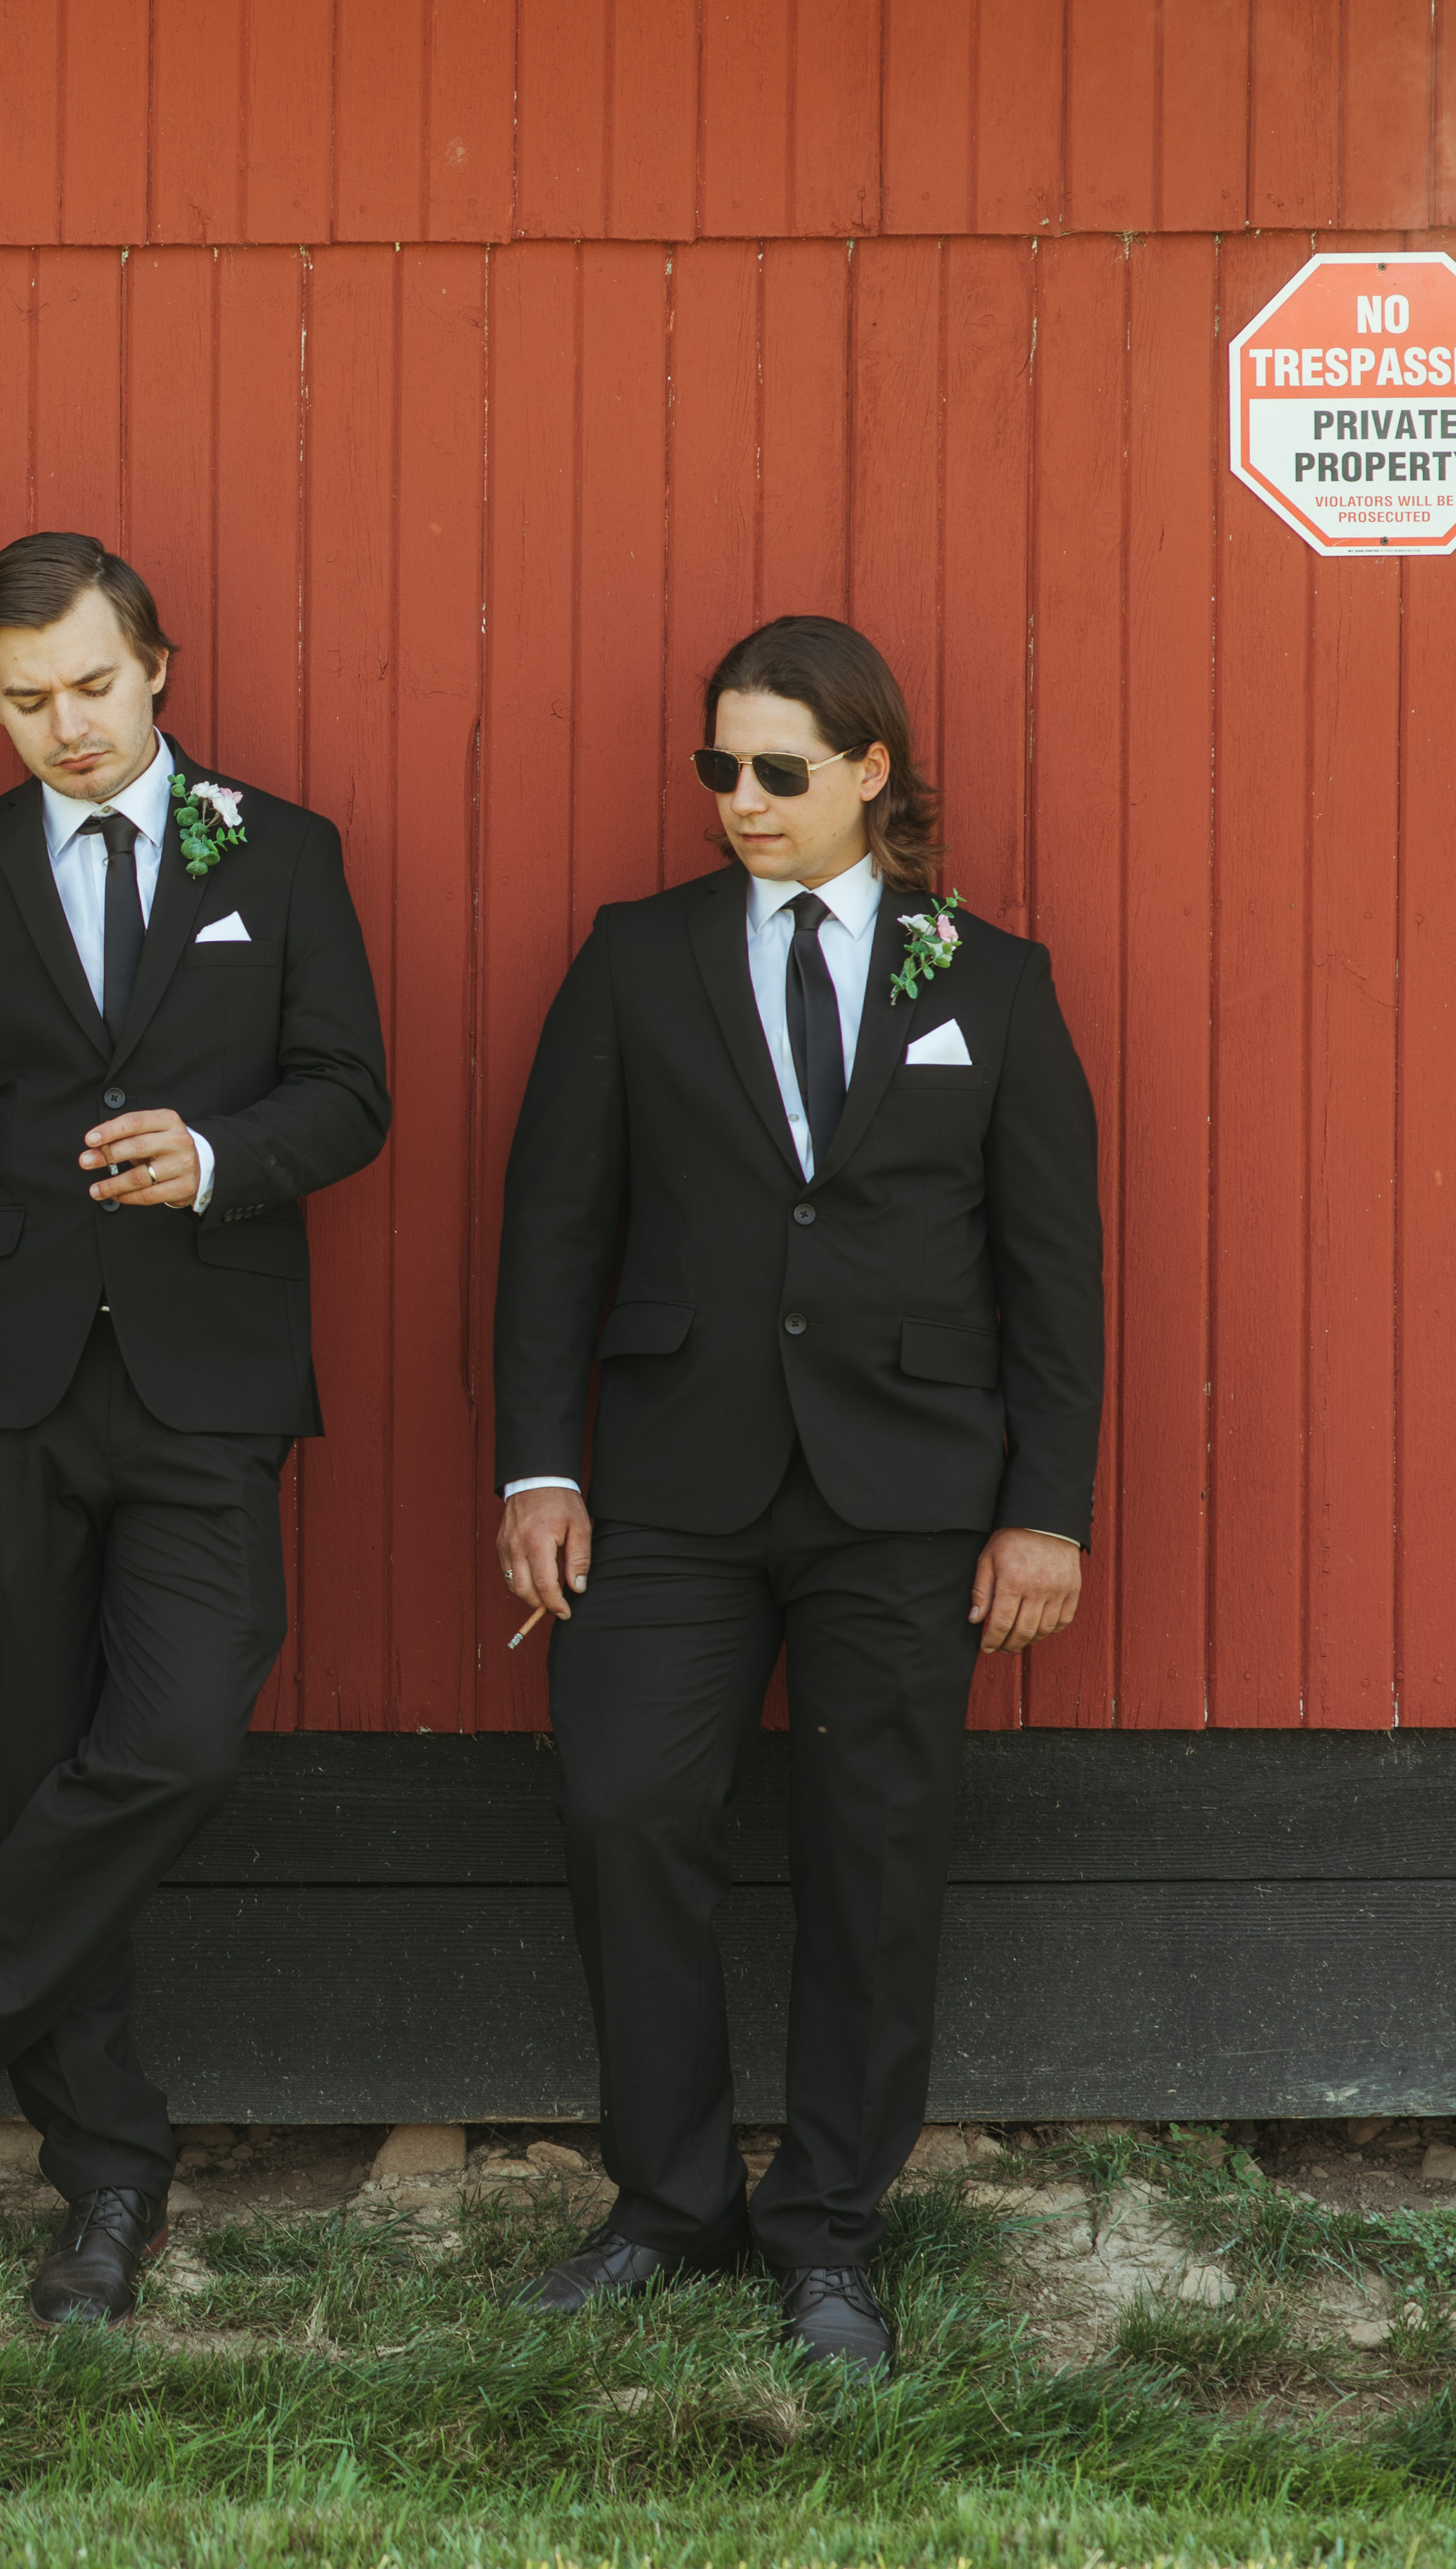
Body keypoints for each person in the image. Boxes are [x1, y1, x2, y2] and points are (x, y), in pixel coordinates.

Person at [492, 613, 1101, 2374]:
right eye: (720, 768)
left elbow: (1055, 1276)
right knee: (624, 1804)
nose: (742, 800)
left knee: (874, 1858)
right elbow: (552, 1233)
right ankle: (670, 2202)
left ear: (869, 770)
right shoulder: (635, 959)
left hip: (906, 1497)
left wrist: (1046, 1509)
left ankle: (830, 2229)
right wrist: (540, 1465)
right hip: (671, 1486)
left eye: (777, 769)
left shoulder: (993, 983)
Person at [0, 532, 391, 2324]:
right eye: (24, 700)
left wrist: (218, 1155)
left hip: (207, 1382)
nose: (64, 726)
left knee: (178, 1742)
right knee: (27, 1781)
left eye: (90, 686)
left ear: (157, 669)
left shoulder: (280, 854)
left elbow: (351, 1094)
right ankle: (106, 2182)